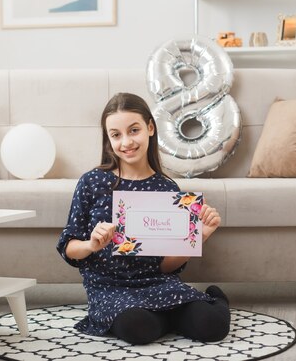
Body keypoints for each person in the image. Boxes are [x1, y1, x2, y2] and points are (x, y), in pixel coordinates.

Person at [56, 92, 230, 345]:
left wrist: (199, 236)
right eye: (116, 135)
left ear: (150, 127)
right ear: (108, 139)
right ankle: (166, 317)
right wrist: (91, 245)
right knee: (137, 328)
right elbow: (69, 248)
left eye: (133, 130)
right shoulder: (92, 182)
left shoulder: (167, 189)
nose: (126, 142)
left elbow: (165, 267)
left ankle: (212, 300)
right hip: (110, 289)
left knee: (213, 326)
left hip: (159, 283)